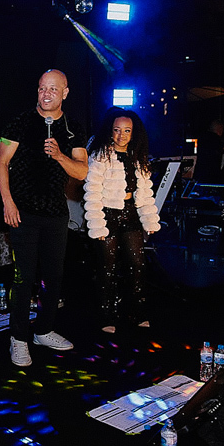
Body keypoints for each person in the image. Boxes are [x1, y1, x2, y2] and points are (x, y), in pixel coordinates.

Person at [0, 69, 88, 367]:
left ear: (65, 92)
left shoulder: (73, 128)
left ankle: (44, 329)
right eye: (41, 88)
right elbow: (1, 163)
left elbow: (83, 172)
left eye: (52, 89)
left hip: (56, 214)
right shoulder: (20, 122)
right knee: (23, 278)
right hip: (23, 211)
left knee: (54, 277)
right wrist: (7, 203)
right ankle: (19, 338)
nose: (45, 93)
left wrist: (61, 156)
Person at [83, 108, 160, 333]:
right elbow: (92, 191)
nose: (121, 135)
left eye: (127, 130)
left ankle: (137, 312)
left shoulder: (138, 157)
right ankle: (107, 315)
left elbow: (145, 192)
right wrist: (96, 223)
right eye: (117, 130)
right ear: (110, 131)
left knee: (137, 264)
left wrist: (149, 220)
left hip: (131, 214)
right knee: (107, 266)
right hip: (107, 214)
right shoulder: (100, 155)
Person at [194, 119, 224, 184]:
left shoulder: (202, 137)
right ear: (219, 129)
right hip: (212, 174)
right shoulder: (217, 140)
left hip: (200, 173)